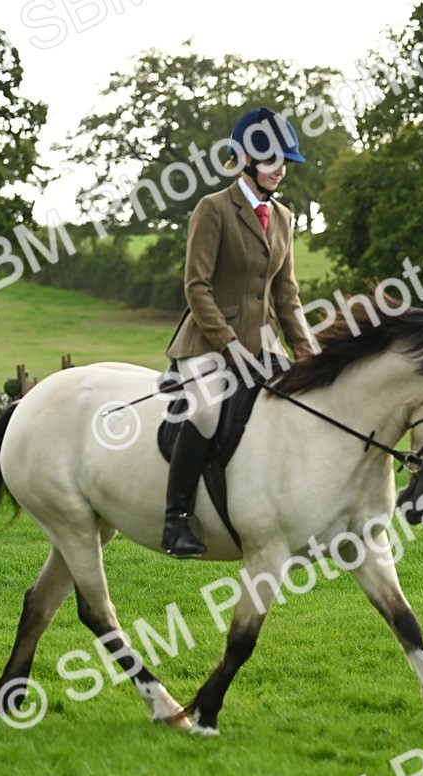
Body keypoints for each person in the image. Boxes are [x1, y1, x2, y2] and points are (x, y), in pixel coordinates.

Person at [160, 107, 315, 557]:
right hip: (206, 344)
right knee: (208, 412)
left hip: (263, 345)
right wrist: (227, 343)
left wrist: (308, 353)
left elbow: (287, 296)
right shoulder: (213, 209)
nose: (280, 170)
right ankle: (175, 520)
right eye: (271, 161)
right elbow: (196, 286)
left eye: (285, 162)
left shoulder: (283, 217)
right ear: (246, 158)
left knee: (300, 405)